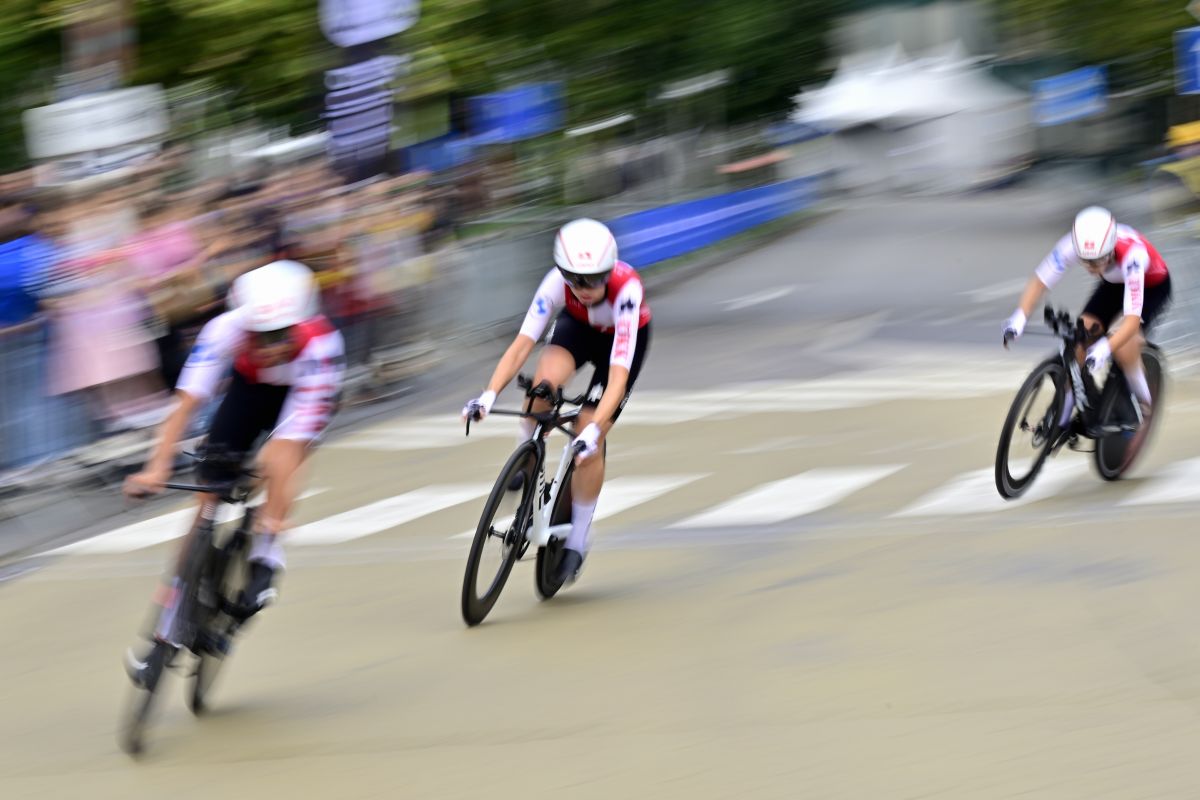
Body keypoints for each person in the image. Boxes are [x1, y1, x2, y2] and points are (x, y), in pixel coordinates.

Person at [123, 260, 345, 675]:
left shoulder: (321, 346)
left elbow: (292, 444)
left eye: (281, 334)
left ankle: (265, 554)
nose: (271, 345)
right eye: (260, 335)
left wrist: (271, 521)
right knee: (206, 497)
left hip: (300, 393)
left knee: (279, 460)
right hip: (249, 390)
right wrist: (155, 468)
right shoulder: (224, 330)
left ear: (301, 323)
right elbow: (184, 407)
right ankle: (164, 633)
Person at [462, 218, 652, 585]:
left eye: (595, 279)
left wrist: (594, 431)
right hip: (579, 330)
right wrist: (487, 395)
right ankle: (525, 457)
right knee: (541, 388)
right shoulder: (555, 284)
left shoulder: (627, 291)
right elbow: (521, 346)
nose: (584, 288)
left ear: (609, 272)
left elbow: (617, 377)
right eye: (575, 279)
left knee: (587, 434)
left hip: (621, 344)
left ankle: (578, 539)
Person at [1003, 206, 1171, 455]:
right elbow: (1040, 281)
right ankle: (1063, 417)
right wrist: (1020, 316)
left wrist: (1106, 347)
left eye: (1097, 261)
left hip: (1150, 286)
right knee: (1079, 339)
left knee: (1124, 345)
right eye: (1086, 261)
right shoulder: (1074, 244)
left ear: (1111, 247)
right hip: (1113, 284)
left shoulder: (1133, 256)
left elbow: (1132, 321)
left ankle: (1143, 400)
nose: (1091, 267)